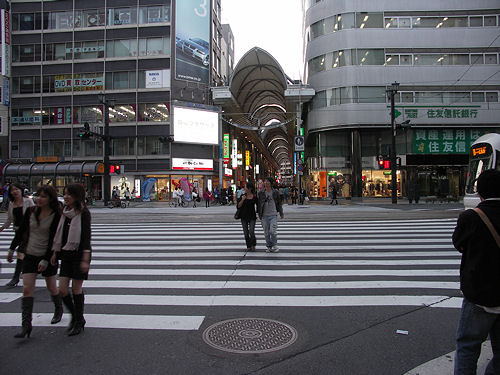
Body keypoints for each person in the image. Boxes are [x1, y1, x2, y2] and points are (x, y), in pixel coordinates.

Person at [452, 169, 500, 374]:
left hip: (479, 292)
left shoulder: (471, 217)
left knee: (468, 346)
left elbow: (459, 244)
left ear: (480, 193)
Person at [9, 185, 62, 338]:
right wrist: (12, 249)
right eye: (37, 196)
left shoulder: (55, 215)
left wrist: (46, 259)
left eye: (43, 196)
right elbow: (21, 232)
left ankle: (58, 308)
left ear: (50, 199)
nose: (39, 199)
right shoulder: (31, 212)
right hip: (30, 254)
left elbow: (55, 239)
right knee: (27, 289)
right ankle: (26, 325)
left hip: (47, 255)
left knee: (52, 287)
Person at [51, 183, 92, 336]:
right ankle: (76, 317)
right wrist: (55, 252)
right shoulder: (64, 212)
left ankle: (78, 320)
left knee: (76, 289)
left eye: (69, 194)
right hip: (66, 253)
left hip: (80, 253)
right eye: (65, 193)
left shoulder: (83, 213)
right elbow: (60, 235)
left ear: (77, 196)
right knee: (62, 289)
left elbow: (86, 237)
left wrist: (85, 258)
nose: (66, 197)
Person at [1, 183, 35, 287]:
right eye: (12, 190)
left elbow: (35, 214)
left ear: (21, 190)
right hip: (17, 230)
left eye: (16, 189)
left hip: (28, 231)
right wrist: (3, 227)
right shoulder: (12, 203)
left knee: (21, 253)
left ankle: (15, 278)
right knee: (26, 253)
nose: (14, 192)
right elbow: (10, 219)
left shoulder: (28, 201)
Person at [257, 177, 284, 253]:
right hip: (264, 215)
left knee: (272, 231)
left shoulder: (275, 192)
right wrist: (259, 214)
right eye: (265, 181)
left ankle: (274, 245)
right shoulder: (261, 193)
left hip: (273, 214)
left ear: (271, 183)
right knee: (266, 232)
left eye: (268, 181)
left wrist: (281, 213)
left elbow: (279, 203)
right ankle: (269, 246)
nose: (266, 183)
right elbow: (259, 204)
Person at [237, 182, 258, 252]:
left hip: (252, 216)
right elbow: (238, 206)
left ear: (250, 188)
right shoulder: (243, 196)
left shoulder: (254, 197)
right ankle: (248, 245)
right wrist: (242, 200)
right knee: (246, 232)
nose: (244, 188)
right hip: (244, 217)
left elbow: (259, 206)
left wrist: (260, 213)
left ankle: (253, 244)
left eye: (245, 187)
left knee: (251, 231)